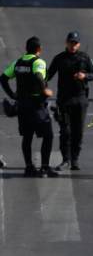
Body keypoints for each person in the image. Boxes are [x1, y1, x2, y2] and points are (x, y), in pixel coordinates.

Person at [1, 37, 56, 177]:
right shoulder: (38, 62)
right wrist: (45, 90)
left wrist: (12, 95)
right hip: (36, 106)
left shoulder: (18, 63)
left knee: (27, 137)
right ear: (39, 49)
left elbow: (3, 78)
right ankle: (45, 167)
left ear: (26, 48)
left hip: (22, 105)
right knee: (48, 135)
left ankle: (29, 167)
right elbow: (38, 76)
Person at [46, 31, 93, 172]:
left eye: (75, 43)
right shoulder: (59, 58)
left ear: (79, 44)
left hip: (80, 98)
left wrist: (84, 76)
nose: (73, 45)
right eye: (71, 43)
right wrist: (41, 86)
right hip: (64, 99)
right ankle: (66, 159)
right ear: (66, 43)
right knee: (65, 131)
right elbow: (48, 75)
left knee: (78, 131)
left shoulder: (85, 58)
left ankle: (75, 159)